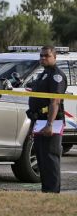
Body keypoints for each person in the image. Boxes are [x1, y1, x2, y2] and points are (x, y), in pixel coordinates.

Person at [27, 45, 67, 193]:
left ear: (54, 57)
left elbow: (55, 101)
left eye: (46, 56)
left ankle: (53, 192)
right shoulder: (42, 74)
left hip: (52, 122)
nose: (43, 58)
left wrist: (50, 124)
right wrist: (33, 125)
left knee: (50, 159)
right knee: (42, 159)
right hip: (40, 121)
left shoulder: (57, 75)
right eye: (41, 56)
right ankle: (46, 191)